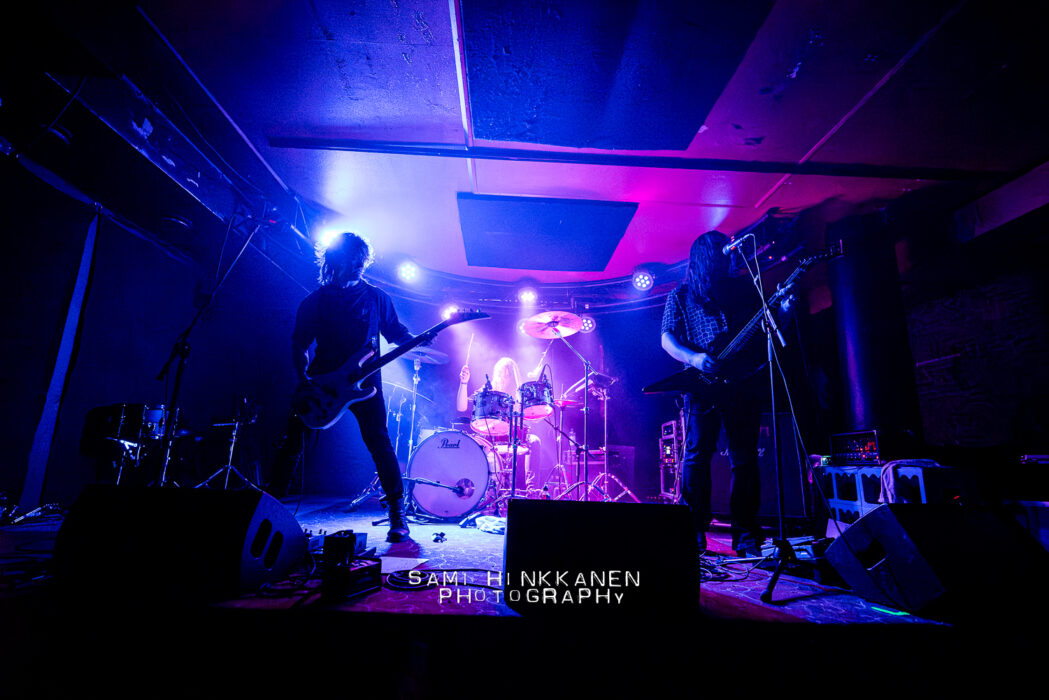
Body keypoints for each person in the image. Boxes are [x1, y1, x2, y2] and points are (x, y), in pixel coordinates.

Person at [269, 232, 415, 542]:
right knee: (291, 444)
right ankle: (269, 510)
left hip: (365, 384)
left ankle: (397, 513)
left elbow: (396, 333)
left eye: (363, 259)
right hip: (320, 384)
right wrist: (303, 381)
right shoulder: (315, 302)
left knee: (379, 442)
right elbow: (299, 345)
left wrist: (420, 340)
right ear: (338, 261)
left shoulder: (376, 298)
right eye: (354, 259)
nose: (360, 264)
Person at [660, 231, 766, 556]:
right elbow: (667, 338)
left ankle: (746, 536)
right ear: (705, 256)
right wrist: (694, 359)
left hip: (742, 383)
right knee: (697, 456)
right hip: (701, 387)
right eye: (719, 251)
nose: (726, 255)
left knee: (744, 458)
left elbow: (762, 330)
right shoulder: (681, 295)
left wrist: (785, 312)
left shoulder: (744, 289)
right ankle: (693, 530)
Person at [456, 357, 542, 493]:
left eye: (507, 375)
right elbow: (461, 407)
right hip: (490, 437)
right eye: (500, 374)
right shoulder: (487, 391)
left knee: (535, 441)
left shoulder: (520, 396)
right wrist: (463, 383)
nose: (503, 378)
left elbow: (535, 418)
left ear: (513, 377)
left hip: (514, 438)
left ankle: (531, 491)